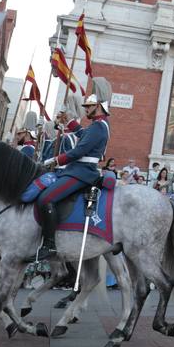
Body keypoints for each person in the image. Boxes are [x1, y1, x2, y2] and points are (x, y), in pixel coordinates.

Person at [37, 92, 110, 253]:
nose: (86, 110)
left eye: (89, 106)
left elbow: (79, 151)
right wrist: (69, 121)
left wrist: (55, 160)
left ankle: (49, 245)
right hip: (79, 171)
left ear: (97, 106)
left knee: (45, 198)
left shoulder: (98, 126)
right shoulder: (99, 125)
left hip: (81, 172)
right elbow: (83, 135)